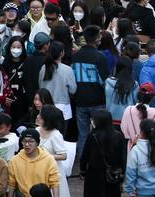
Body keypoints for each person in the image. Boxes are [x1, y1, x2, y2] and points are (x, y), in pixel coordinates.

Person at [71, 25, 109, 157]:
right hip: (97, 100)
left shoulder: (75, 56)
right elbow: (105, 81)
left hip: (80, 100)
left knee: (83, 134)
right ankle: (100, 160)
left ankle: (83, 163)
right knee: (100, 132)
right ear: (97, 38)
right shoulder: (100, 57)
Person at [80, 109, 126, 197]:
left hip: (94, 174)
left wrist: (83, 171)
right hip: (112, 174)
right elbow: (122, 158)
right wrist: (122, 174)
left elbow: (85, 156)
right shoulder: (118, 135)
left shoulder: (92, 136)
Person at [125, 118, 155, 197]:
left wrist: (130, 191)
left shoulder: (136, 150)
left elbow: (130, 173)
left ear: (141, 132)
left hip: (142, 192)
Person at [7, 129, 59, 197]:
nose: (27, 144)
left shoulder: (48, 159)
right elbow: (12, 184)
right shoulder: (15, 160)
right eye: (24, 141)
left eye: (31, 141)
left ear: (37, 142)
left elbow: (55, 183)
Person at [38, 41, 77, 128]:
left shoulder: (43, 68)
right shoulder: (67, 69)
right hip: (63, 107)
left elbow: (40, 86)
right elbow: (73, 90)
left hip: (46, 106)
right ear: (62, 53)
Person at [36, 106, 69, 197]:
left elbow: (63, 156)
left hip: (52, 169)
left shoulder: (56, 134)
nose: (38, 116)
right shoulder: (37, 130)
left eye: (41, 115)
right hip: (38, 168)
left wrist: (45, 156)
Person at [120, 82, 155, 151]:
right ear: (152, 97)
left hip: (133, 149)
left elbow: (124, 130)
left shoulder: (128, 110)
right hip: (152, 150)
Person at [105, 56, 139, 126]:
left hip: (111, 119)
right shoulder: (134, 84)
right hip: (128, 119)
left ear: (117, 68)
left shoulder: (108, 82)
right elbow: (136, 101)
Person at [22, 32, 50, 110]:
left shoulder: (28, 59)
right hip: (44, 100)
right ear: (45, 46)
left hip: (30, 100)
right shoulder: (47, 61)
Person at [3, 36, 26, 121]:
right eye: (13, 47)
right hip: (8, 101)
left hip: (23, 101)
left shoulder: (26, 62)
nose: (16, 49)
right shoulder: (4, 64)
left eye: (19, 47)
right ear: (9, 48)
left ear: (23, 48)